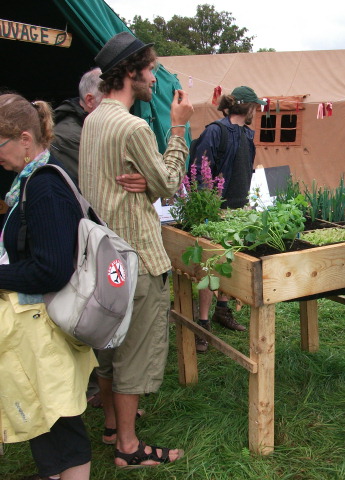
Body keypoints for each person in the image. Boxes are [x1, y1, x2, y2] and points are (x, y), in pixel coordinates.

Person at [79, 31, 193, 468]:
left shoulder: (95, 120)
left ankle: (110, 425)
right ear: (129, 73)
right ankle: (128, 447)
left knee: (108, 349)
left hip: (105, 257)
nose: (153, 78)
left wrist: (144, 185)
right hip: (138, 258)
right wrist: (179, 125)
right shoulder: (133, 126)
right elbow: (170, 184)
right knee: (133, 354)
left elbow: (116, 183)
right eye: (150, 70)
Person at [0, 94, 95, 479]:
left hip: (46, 328)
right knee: (50, 421)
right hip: (41, 325)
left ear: (25, 139)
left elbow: (51, 270)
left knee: (61, 426)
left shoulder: (43, 188)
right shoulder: (32, 180)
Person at [52, 67, 148, 410]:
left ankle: (110, 416)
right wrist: (150, 180)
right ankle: (123, 432)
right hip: (94, 244)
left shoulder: (86, 124)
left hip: (96, 242)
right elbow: (89, 188)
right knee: (107, 326)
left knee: (105, 326)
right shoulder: (76, 132)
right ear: (90, 100)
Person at [191, 86, 267, 346]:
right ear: (247, 107)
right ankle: (202, 324)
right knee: (209, 267)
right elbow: (200, 173)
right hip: (216, 211)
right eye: (255, 107)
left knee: (230, 263)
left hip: (239, 209)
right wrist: (211, 210)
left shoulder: (247, 135)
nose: (256, 111)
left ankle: (222, 310)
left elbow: (246, 170)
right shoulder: (216, 131)